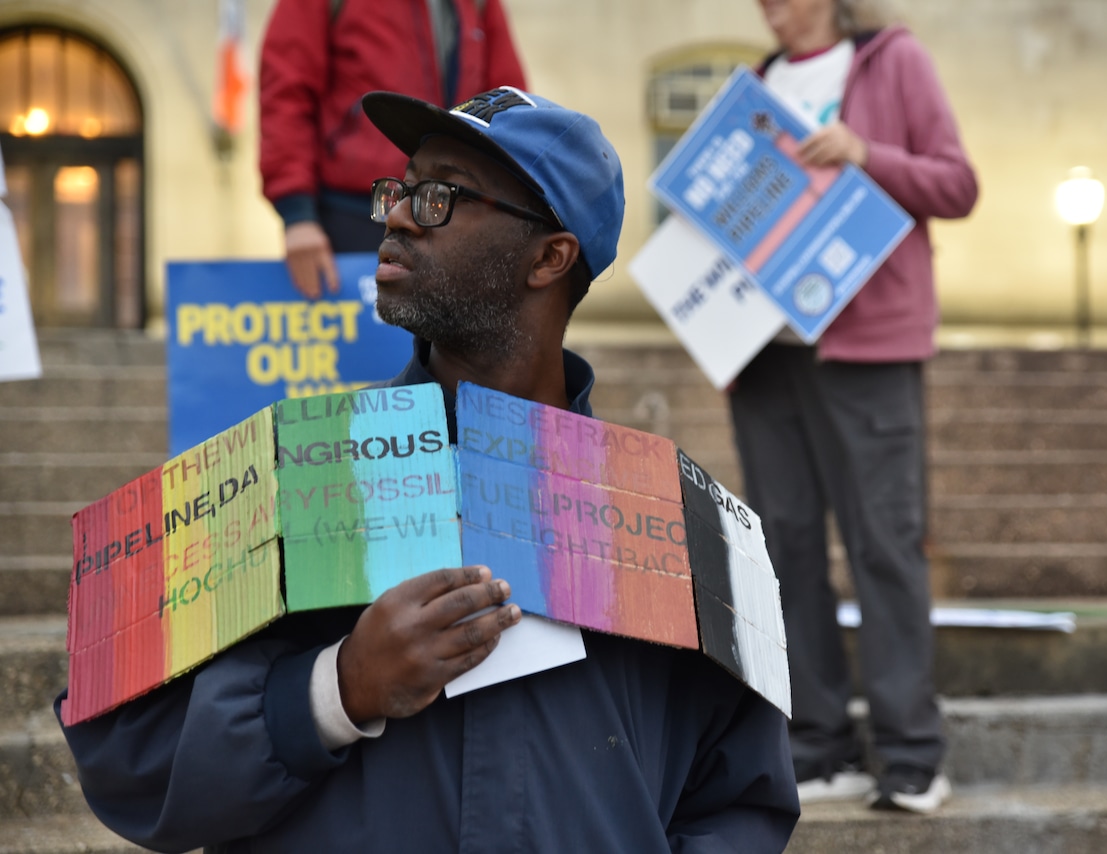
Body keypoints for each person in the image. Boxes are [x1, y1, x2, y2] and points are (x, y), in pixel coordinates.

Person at [55, 86, 800, 852]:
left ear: (551, 257)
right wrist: (336, 690)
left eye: (442, 195)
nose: (401, 214)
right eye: (402, 188)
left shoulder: (672, 518)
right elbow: (126, 756)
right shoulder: (291, 467)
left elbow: (743, 799)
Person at [730, 0, 978, 812]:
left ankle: (911, 755)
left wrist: (864, 153)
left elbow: (957, 183)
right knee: (787, 550)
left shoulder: (893, 62)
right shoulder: (755, 86)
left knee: (884, 546)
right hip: (766, 355)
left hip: (867, 346)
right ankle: (819, 745)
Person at [259, 0, 526, 299]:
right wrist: (299, 217)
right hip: (354, 215)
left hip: (451, 212)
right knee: (367, 341)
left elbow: (507, 105)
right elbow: (286, 93)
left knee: (443, 339)